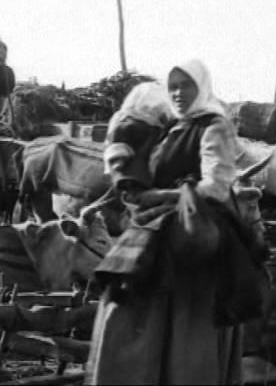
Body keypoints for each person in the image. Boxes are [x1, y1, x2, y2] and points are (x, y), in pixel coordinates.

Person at [86, 59, 266, 385]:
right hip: (155, 232)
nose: (178, 93)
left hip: (193, 239)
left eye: (186, 85)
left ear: (202, 87)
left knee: (186, 330)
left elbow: (216, 186)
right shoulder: (171, 128)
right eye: (173, 87)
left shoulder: (214, 126)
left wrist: (157, 197)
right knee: (127, 316)